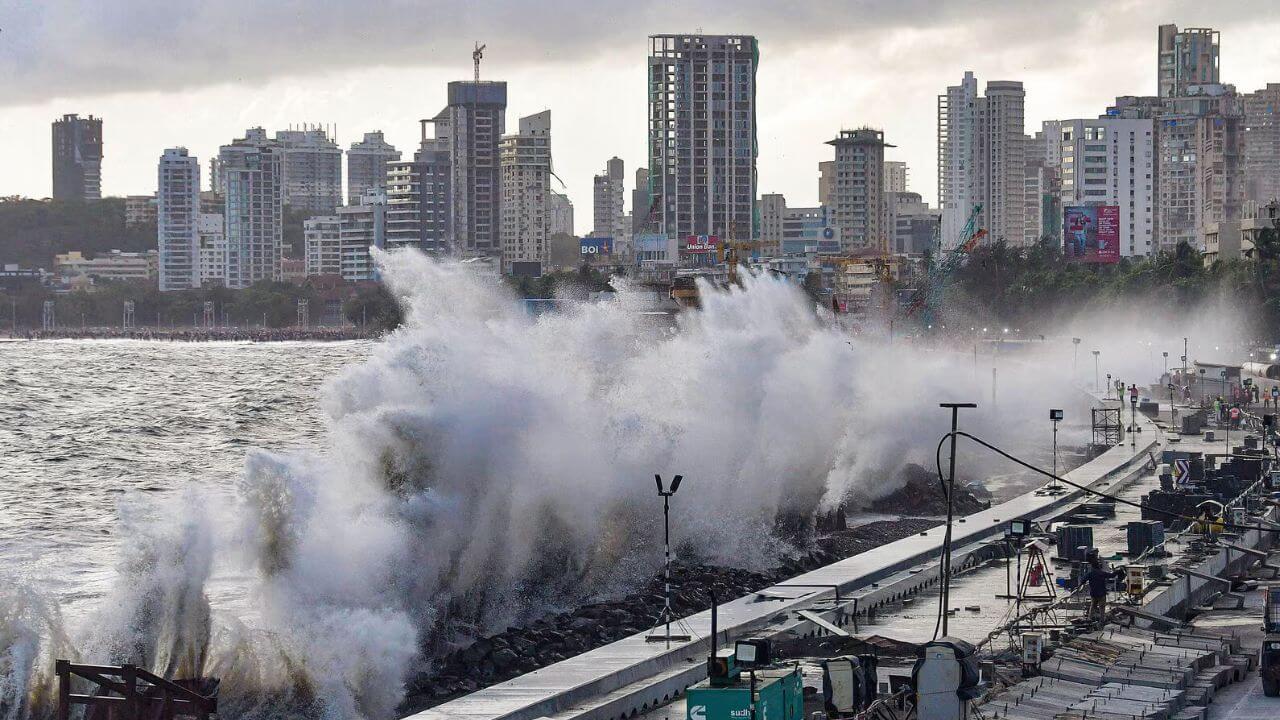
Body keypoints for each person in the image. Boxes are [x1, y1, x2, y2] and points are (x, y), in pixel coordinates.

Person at [1083, 550, 1123, 624]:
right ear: (1099, 566)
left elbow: (1083, 580)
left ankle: (1089, 619)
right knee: (1102, 607)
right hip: (1101, 593)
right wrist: (1118, 571)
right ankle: (1102, 621)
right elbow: (1111, 575)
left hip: (1094, 593)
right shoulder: (1101, 573)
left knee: (1093, 606)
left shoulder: (1090, 573)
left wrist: (1079, 586)